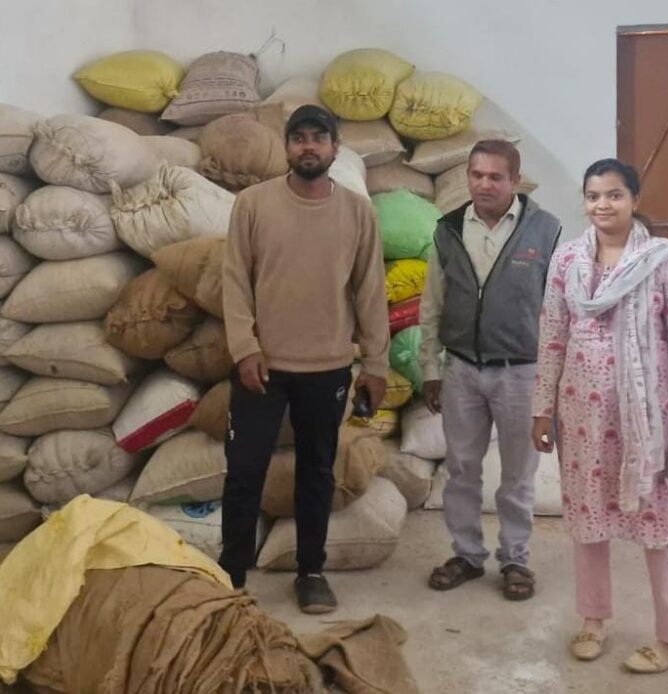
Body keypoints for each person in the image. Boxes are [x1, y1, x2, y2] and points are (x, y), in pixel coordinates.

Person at [532, 159, 668, 673]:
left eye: (614, 195)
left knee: (661, 527)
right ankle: (593, 620)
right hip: (582, 418)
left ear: (635, 199)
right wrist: (542, 409)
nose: (602, 205)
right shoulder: (568, 260)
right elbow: (552, 336)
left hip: (647, 423)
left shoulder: (666, 263)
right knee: (587, 521)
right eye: (593, 196)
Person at [220, 105, 390, 613]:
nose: (309, 146)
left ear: (336, 148)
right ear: (287, 146)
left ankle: (311, 572)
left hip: (328, 367)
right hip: (262, 368)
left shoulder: (358, 212)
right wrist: (245, 348)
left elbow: (370, 292)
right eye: (299, 138)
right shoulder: (252, 204)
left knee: (317, 472)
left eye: (319, 138)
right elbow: (235, 281)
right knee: (244, 470)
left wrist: (376, 365)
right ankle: (231, 575)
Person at [419, 140, 562, 600]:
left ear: (515, 181)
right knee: (461, 468)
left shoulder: (547, 231)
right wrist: (430, 367)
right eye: (476, 175)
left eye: (495, 177)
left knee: (518, 475)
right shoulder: (448, 229)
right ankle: (466, 554)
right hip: (461, 369)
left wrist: (553, 384)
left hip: (522, 373)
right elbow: (432, 304)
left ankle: (515, 560)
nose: (484, 184)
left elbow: (559, 313)